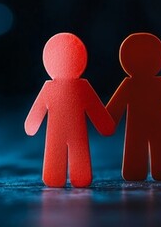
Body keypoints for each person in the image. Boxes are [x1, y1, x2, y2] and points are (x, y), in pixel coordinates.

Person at [24, 33, 115, 188]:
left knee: (70, 156)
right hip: (65, 134)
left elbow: (32, 121)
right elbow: (99, 113)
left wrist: (31, 126)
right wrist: (105, 125)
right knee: (59, 155)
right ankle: (62, 177)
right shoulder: (65, 87)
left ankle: (68, 177)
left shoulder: (65, 88)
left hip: (67, 134)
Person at [106, 33, 161, 181]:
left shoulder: (132, 85)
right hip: (150, 127)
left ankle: (156, 170)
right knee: (141, 148)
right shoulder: (152, 84)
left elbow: (112, 113)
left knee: (144, 148)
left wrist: (106, 123)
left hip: (141, 128)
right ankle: (152, 170)